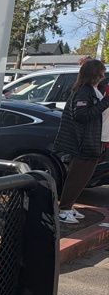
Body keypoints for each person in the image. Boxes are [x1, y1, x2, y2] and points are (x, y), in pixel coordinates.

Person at [53, 58, 109, 224]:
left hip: (93, 140)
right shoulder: (84, 91)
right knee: (77, 176)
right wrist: (106, 102)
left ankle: (68, 206)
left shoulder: (92, 90)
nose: (104, 75)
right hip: (85, 142)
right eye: (102, 72)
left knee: (83, 177)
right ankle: (64, 209)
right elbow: (81, 115)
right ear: (95, 74)